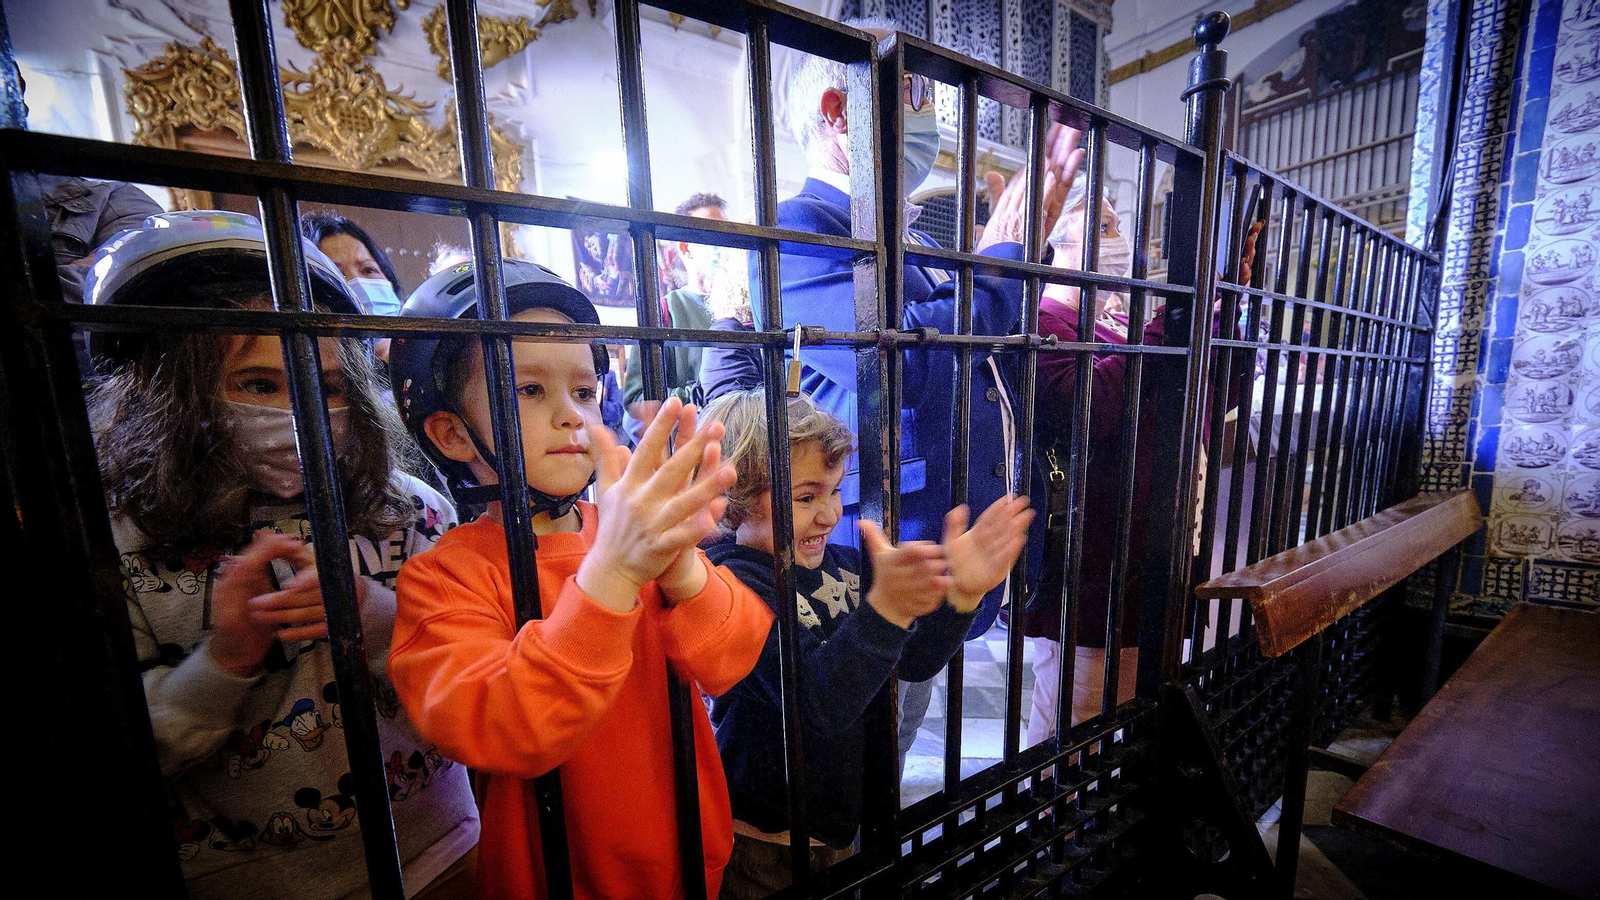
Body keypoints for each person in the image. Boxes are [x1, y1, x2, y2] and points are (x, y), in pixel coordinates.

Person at [85, 210, 479, 899]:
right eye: (260, 385)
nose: (297, 413)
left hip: (444, 854)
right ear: (165, 391)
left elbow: (482, 677)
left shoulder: (406, 507)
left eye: (324, 388)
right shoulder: (120, 541)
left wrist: (382, 618)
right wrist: (226, 660)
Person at [384, 260, 773, 900]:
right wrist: (615, 573)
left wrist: (677, 564)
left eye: (585, 391)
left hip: (690, 864)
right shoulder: (442, 577)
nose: (571, 416)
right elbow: (506, 727)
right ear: (452, 432)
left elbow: (731, 660)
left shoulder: (623, 527)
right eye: (528, 391)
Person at [770, 15, 1082, 770]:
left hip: (944, 550)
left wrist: (1006, 260)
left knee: (898, 737)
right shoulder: (797, 229)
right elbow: (902, 354)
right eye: (915, 94)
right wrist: (1004, 260)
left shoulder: (904, 241)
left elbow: (965, 349)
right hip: (875, 554)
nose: (930, 122)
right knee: (861, 759)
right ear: (841, 111)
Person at [703, 389, 1032, 898]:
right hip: (765, 844)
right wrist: (888, 610)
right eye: (806, 497)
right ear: (732, 501)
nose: (830, 513)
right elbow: (816, 703)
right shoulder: (733, 586)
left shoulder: (842, 564)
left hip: (842, 825)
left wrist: (962, 594)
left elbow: (915, 661)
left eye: (834, 491)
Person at [1022, 182, 1260, 741]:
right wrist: (1172, 323)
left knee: (1127, 708)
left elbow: (1215, 394)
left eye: (1118, 227)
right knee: (1077, 715)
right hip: (1091, 561)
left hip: (1151, 552)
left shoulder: (1118, 326)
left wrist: (1224, 304)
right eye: (1101, 228)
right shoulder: (1043, 320)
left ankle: (1100, 816)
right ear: (1056, 235)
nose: (1118, 241)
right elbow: (1093, 408)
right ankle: (1056, 823)